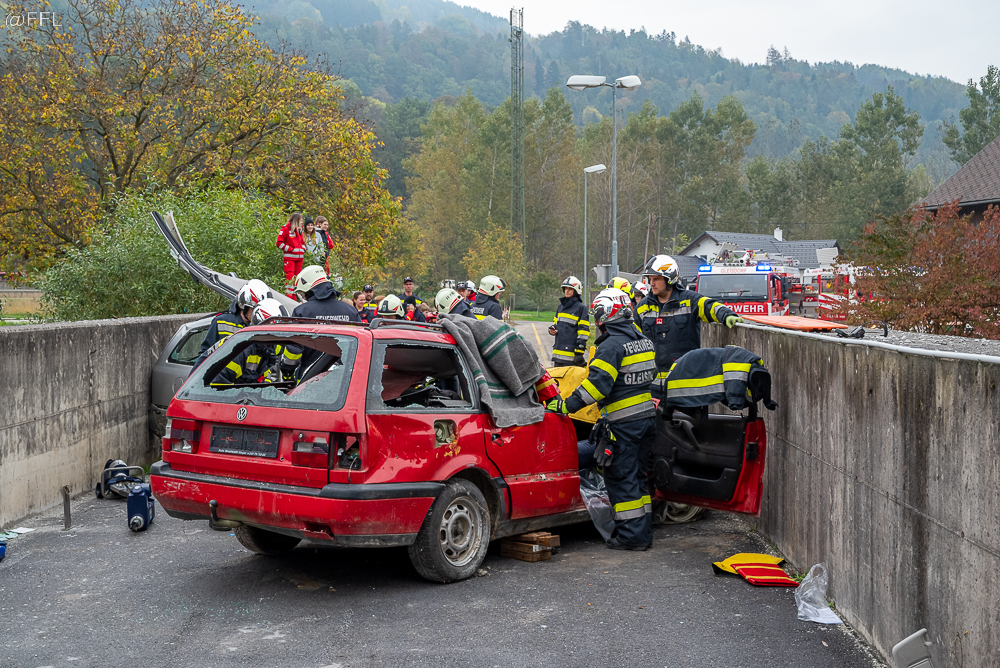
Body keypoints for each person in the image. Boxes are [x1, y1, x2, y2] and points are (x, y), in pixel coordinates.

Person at [546, 288, 656, 550]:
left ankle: (631, 538)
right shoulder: (643, 340)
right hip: (647, 421)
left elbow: (596, 387)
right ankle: (643, 533)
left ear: (606, 315)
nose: (596, 320)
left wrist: (565, 405)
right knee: (638, 478)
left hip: (624, 424)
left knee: (622, 479)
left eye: (597, 314)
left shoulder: (610, 347)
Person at [635, 255, 743, 399]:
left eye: (656, 279)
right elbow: (633, 339)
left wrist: (727, 315)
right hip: (652, 387)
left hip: (686, 385)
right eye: (650, 279)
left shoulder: (690, 300)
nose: (651, 283)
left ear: (670, 279)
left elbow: (710, 306)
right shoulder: (642, 308)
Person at [196, 279, 272, 359]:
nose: (258, 313)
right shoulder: (221, 322)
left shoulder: (261, 327)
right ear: (244, 305)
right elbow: (204, 356)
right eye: (254, 309)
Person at [291, 266, 360, 323]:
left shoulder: (301, 312)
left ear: (309, 291)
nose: (304, 297)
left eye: (303, 293)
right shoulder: (351, 311)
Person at [548, 276, 589, 367]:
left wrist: (579, 352)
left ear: (576, 290)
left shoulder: (581, 308)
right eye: (565, 289)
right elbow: (556, 324)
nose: (567, 291)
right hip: (557, 355)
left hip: (571, 358)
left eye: (570, 289)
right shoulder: (560, 307)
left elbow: (583, 332)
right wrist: (552, 329)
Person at [276, 213, 306, 297]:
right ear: (296, 220)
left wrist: (303, 249)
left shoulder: (300, 229)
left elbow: (302, 242)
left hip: (299, 259)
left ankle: (295, 298)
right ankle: (289, 298)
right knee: (290, 279)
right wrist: (291, 249)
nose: (302, 222)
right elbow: (279, 243)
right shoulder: (285, 228)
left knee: (297, 279)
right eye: (301, 220)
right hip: (290, 259)